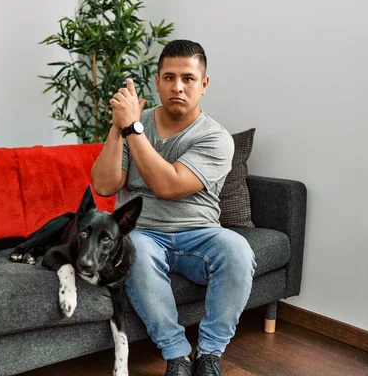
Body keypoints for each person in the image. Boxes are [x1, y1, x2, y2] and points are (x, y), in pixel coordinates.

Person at [90, 39, 256, 376]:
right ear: (157, 81)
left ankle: (209, 354)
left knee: (238, 250)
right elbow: (105, 185)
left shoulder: (216, 138)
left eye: (188, 78)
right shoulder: (136, 123)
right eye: (168, 78)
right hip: (145, 234)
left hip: (200, 235)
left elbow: (167, 186)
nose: (177, 87)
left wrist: (131, 128)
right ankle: (177, 356)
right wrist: (117, 126)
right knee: (132, 249)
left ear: (204, 84)